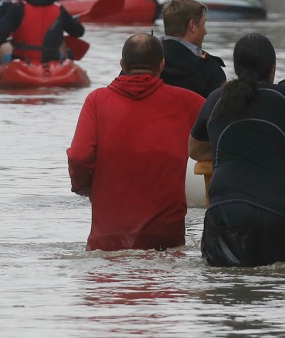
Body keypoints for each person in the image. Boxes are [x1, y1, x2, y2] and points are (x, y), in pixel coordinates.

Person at [190, 33, 285, 267]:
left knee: (226, 284)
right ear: (272, 69)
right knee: (277, 284)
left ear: (237, 68)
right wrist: (276, 150)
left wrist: (228, 150)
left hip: (227, 212)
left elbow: (195, 149)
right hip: (279, 213)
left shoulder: (217, 99)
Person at [67, 33, 206, 251]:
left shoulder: (97, 101)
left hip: (108, 238)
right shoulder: (189, 102)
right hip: (165, 237)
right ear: (161, 65)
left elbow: (79, 156)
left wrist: (82, 186)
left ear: (122, 64)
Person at [159, 0, 226, 97]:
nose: (205, 31)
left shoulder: (147, 61)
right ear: (192, 26)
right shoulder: (210, 68)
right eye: (203, 24)